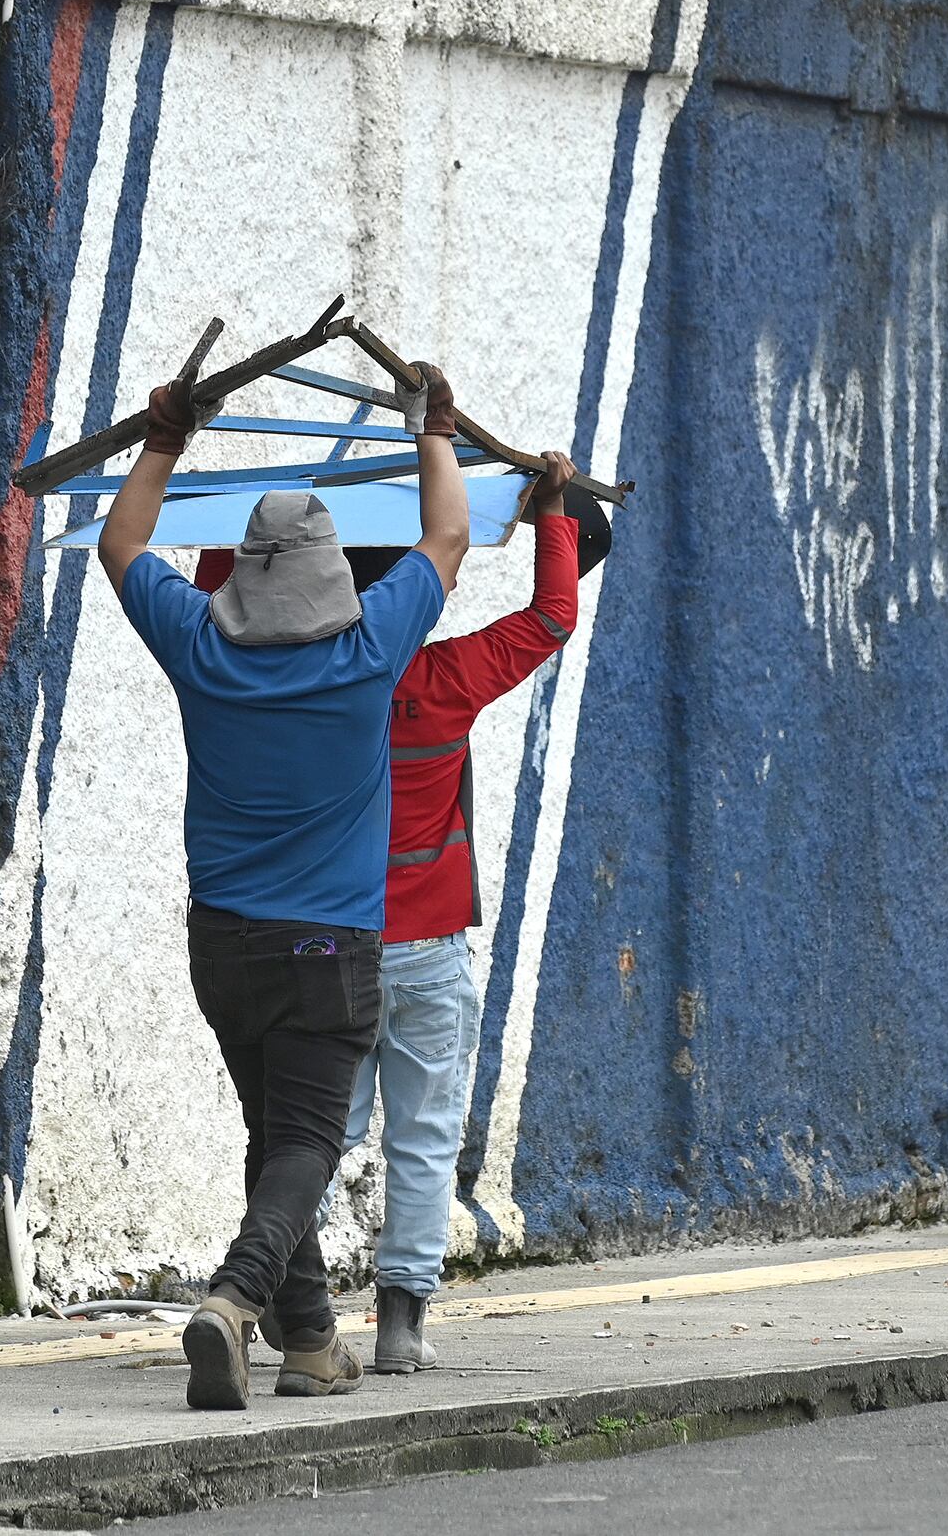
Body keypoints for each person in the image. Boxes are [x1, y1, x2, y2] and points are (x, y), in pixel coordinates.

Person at [97, 358, 469, 1412]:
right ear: (331, 577)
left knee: (273, 1137)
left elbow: (122, 545)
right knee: (306, 1141)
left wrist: (166, 436)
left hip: (223, 946)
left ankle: (309, 1344)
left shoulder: (198, 647)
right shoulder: (368, 649)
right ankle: (235, 1298)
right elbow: (447, 537)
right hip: (328, 948)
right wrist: (431, 427)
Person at [300, 452, 611, 1377]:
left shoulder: (301, 687)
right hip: (428, 953)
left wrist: (236, 530)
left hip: (330, 952)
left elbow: (215, 607)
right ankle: (401, 1323)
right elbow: (551, 616)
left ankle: (287, 1305)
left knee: (312, 1139)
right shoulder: (446, 681)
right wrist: (552, 516)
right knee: (425, 1138)